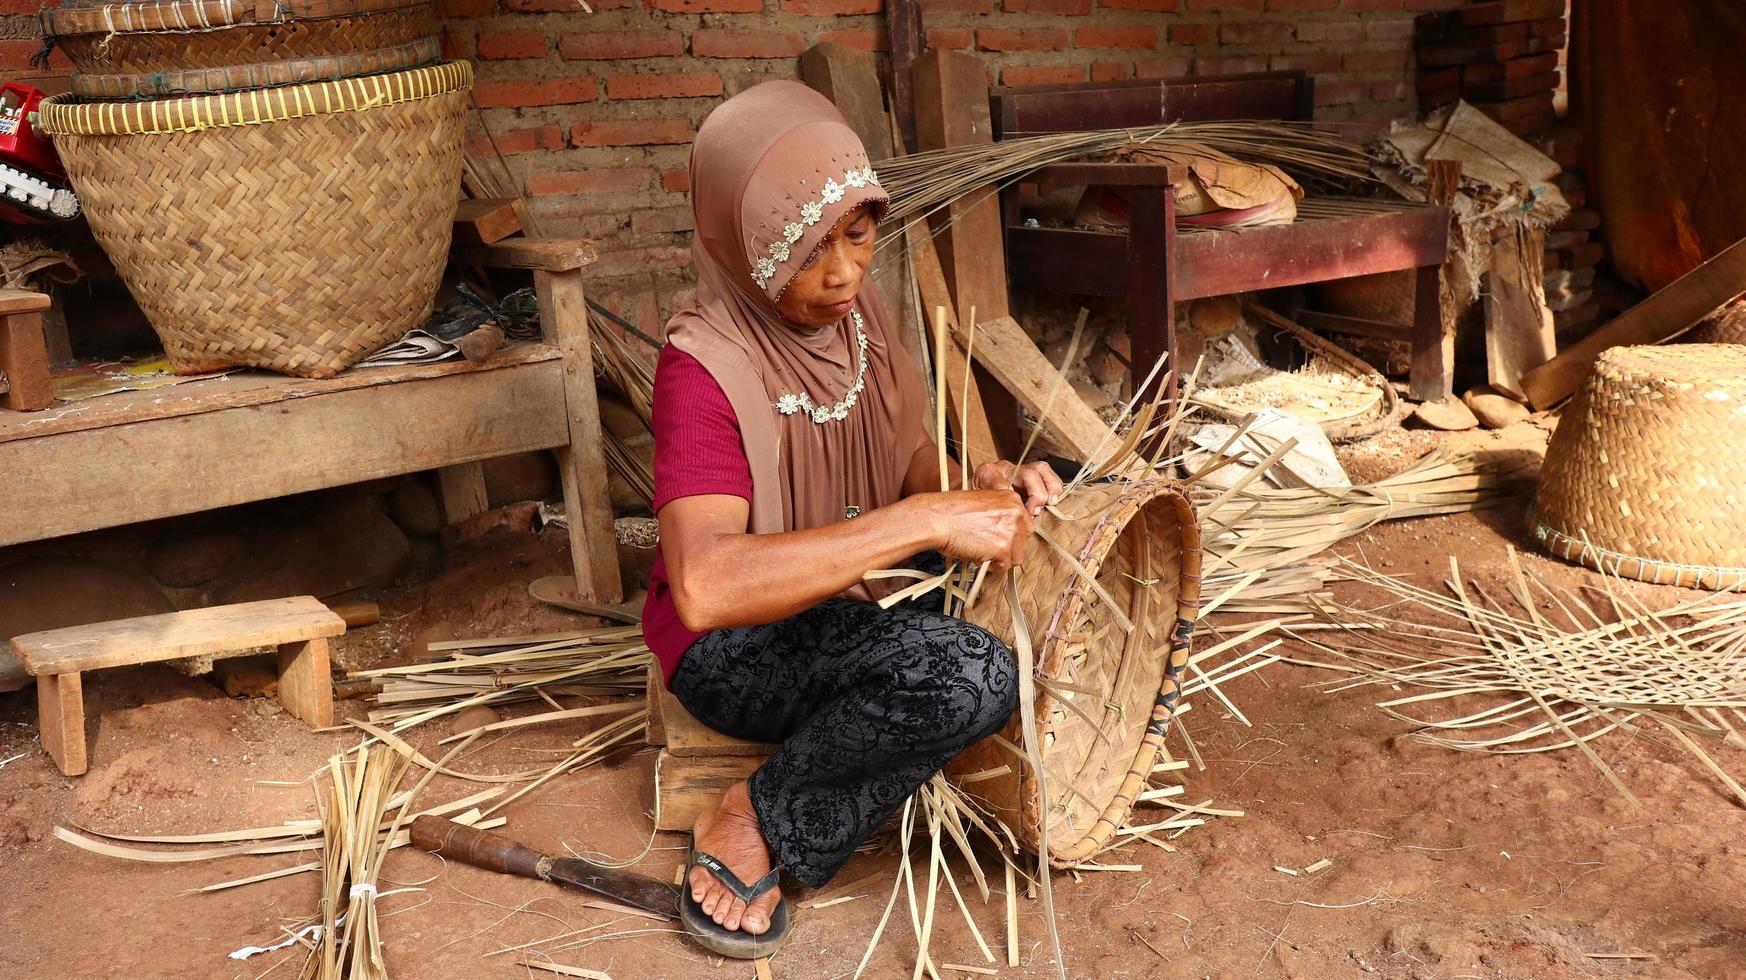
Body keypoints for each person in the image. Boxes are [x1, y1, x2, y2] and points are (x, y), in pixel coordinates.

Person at [644, 80, 1063, 959]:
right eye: (802, 250)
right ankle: (756, 815)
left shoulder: (859, 319)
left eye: (860, 233)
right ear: (739, 242)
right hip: (741, 644)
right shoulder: (704, 366)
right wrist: (920, 518)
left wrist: (970, 484)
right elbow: (709, 587)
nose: (842, 272)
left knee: (1034, 632)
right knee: (972, 679)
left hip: (862, 601)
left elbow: (902, 452)